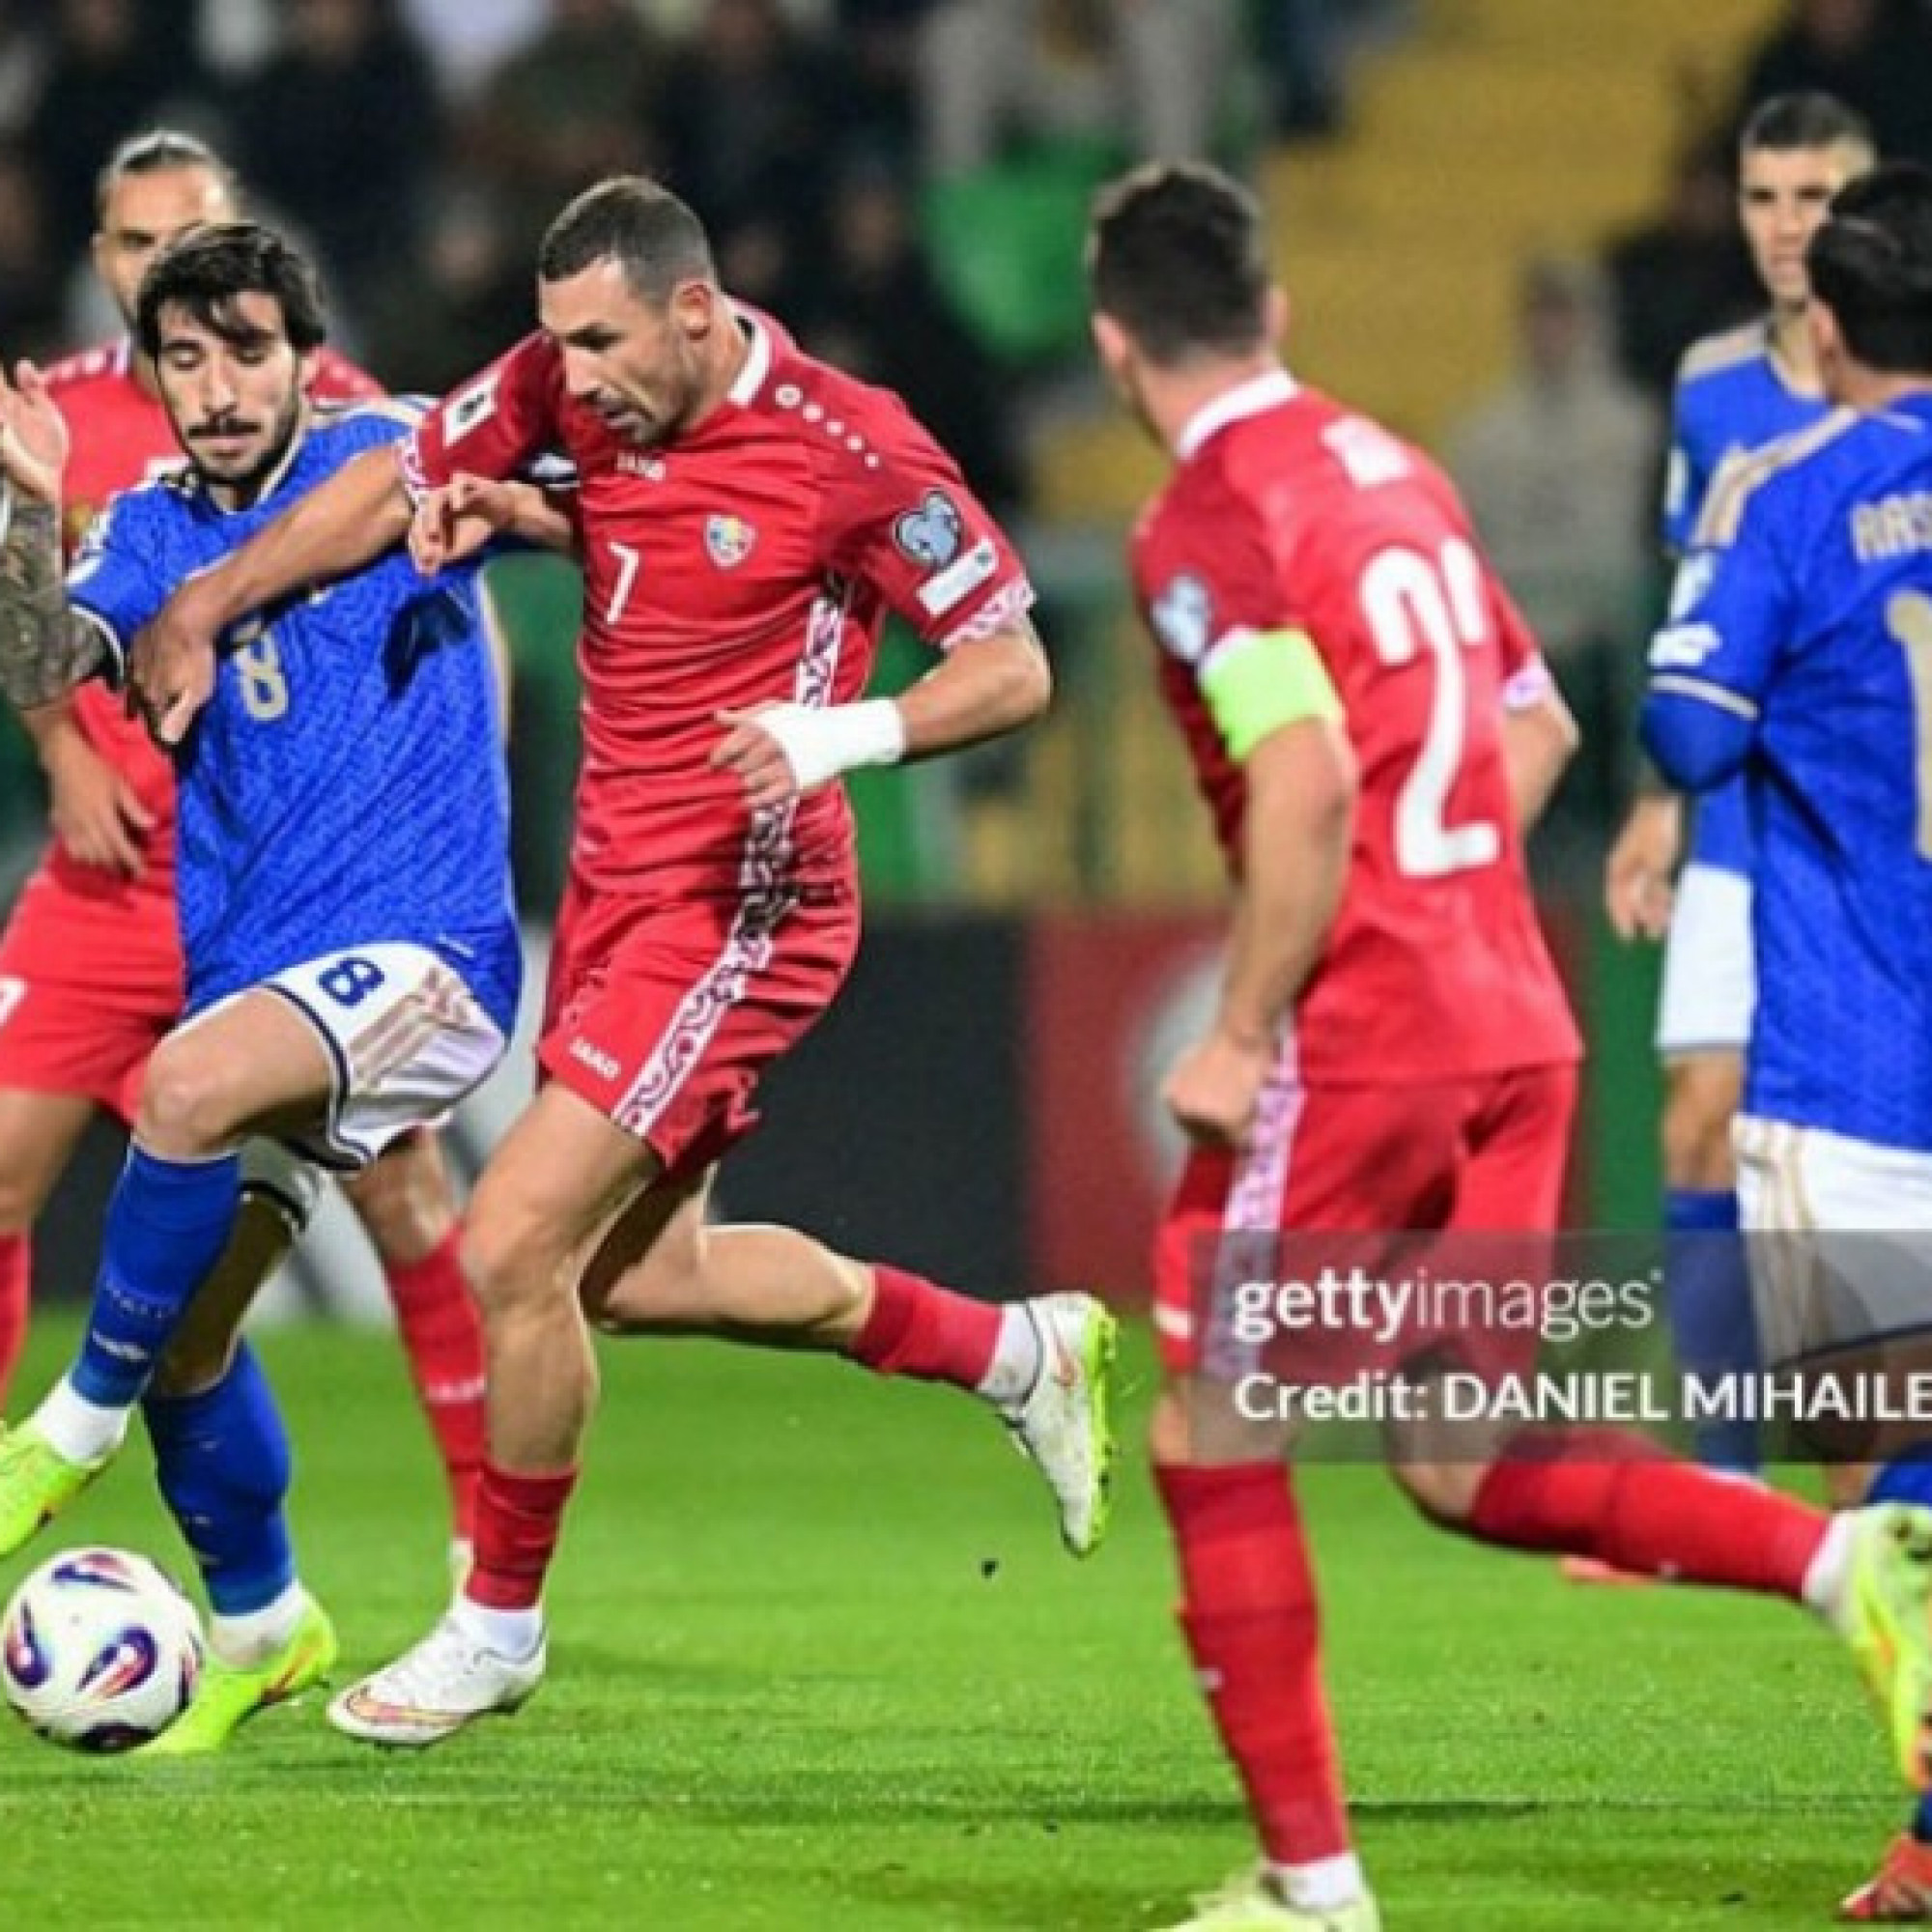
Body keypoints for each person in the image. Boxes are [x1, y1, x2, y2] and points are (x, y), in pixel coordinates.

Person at [127, 174, 1118, 1748]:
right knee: (636, 1279)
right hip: (612, 885)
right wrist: (220, 595)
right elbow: (400, 482)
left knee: (510, 1243)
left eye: (598, 341)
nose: (567, 378)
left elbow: (1015, 660)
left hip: (744, 894)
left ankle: (496, 1625)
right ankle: (1018, 1351)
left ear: (697, 315)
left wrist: (840, 730)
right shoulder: (567, 393)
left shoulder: (852, 449)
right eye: (552, 344)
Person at [1085, 158, 1932, 1932]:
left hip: (1370, 1028)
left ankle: (1310, 1886)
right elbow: (1536, 721)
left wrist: (1247, 1027)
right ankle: (1848, 1556)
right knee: (1462, 1459)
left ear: (1113, 348)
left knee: (1206, 1428)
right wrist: (1448, 891)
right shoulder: (1393, 465)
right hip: (1516, 1015)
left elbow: (1305, 777)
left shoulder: (1210, 521)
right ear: (1279, 314)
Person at [0, 219, 520, 1751]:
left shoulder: (398, 452)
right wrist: (32, 521)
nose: (219, 388)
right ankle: (265, 1624)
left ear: (305, 349)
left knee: (183, 1085)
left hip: (427, 954)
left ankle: (58, 1432)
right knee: (192, 1344)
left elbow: (465, 477)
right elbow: (43, 655)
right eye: (185, 358)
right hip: (271, 972)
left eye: (247, 349)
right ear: (151, 374)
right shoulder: (149, 522)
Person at [1642, 158, 1932, 1925]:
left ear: (1819, 327)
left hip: (1853, 1055)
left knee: (1886, 1482)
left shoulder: (1785, 491)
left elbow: (1683, 731)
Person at [1603, 93, 1875, 1487]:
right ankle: (1724, 1477)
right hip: (1744, 821)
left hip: (1883, 829)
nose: (1789, 226)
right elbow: (1698, 606)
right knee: (1700, 1117)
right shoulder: (1713, 387)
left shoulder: (1906, 383)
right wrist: (1660, 802)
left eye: (1817, 198)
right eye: (1767, 197)